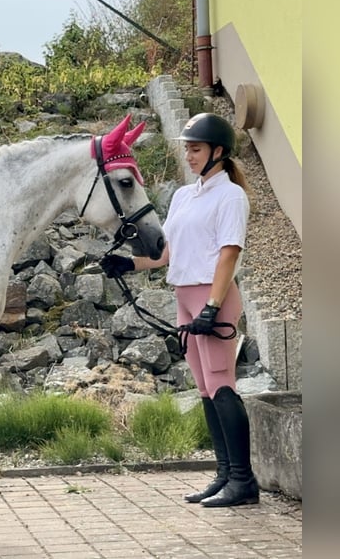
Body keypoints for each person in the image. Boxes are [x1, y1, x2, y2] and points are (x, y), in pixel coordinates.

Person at [100, 112, 259, 507]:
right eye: (186, 148)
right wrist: (129, 264)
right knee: (205, 389)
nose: (188, 155)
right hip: (184, 296)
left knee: (222, 384)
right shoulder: (184, 196)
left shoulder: (231, 196)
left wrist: (213, 306)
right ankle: (224, 476)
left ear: (217, 152)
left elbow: (228, 254)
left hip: (212, 296)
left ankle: (244, 481)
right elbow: (167, 253)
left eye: (196, 149)